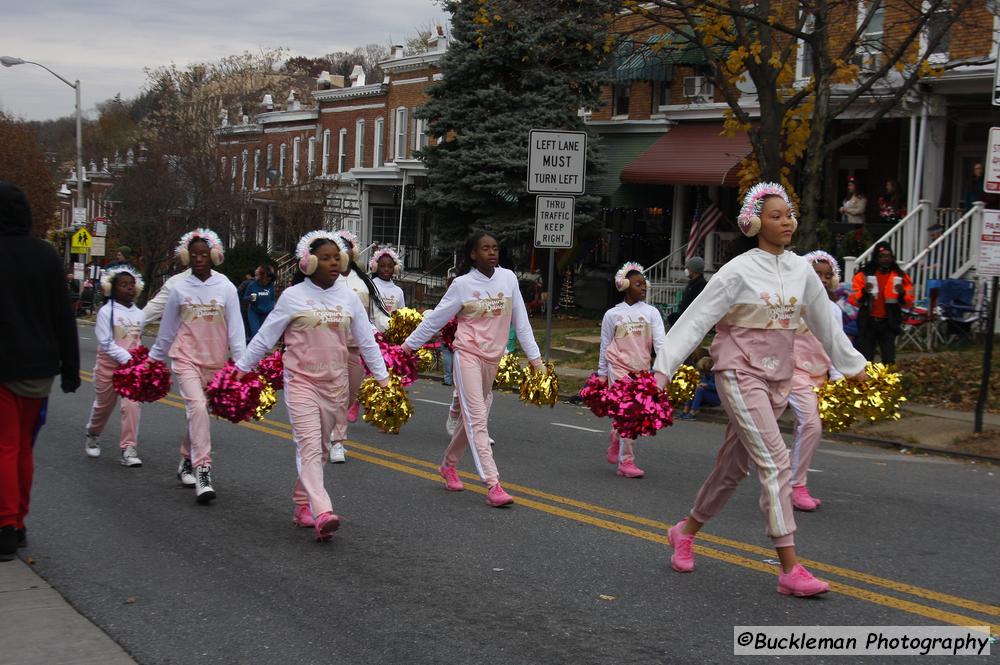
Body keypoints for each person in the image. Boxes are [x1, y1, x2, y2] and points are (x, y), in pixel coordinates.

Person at [653, 182, 868, 597]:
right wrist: (661, 372)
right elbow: (696, 320)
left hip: (779, 379)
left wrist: (853, 367)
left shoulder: (802, 270)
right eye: (775, 215)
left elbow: (825, 322)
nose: (786, 221)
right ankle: (789, 568)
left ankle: (685, 531)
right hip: (738, 370)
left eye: (788, 214)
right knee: (775, 461)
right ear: (754, 223)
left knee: (734, 467)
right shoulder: (737, 271)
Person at [235, 231, 389, 542]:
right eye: (327, 257)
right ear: (309, 262)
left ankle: (302, 504)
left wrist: (383, 377)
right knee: (307, 446)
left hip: (336, 385)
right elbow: (266, 336)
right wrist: (241, 369)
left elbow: (365, 340)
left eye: (337, 257)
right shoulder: (293, 297)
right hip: (301, 380)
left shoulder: (347, 297)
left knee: (318, 449)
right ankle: (323, 512)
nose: (334, 262)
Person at [401, 231, 544, 507]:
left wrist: (536, 361)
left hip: (493, 360)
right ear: (473, 254)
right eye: (485, 248)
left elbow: (522, 323)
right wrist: (408, 347)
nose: (492, 252)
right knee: (478, 419)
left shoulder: (509, 279)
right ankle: (493, 484)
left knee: (470, 421)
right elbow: (436, 320)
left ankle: (448, 465)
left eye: (495, 248)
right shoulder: (462, 285)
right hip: (466, 356)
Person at [0, 182, 80, 560]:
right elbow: (63, 316)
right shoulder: (47, 256)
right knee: (23, 448)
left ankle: (4, 526)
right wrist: (71, 367)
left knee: (4, 446)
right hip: (38, 370)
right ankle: (18, 523)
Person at [149, 229, 246, 503]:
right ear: (186, 257)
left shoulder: (226, 287)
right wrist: (153, 361)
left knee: (199, 413)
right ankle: (203, 469)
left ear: (215, 256)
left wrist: (240, 367)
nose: (200, 259)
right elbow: (167, 331)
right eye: (194, 255)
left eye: (204, 254)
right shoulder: (179, 288)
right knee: (198, 407)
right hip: (186, 358)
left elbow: (236, 331)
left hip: (215, 362)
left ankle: (185, 459)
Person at [787, 251, 846, 512]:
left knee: (806, 428)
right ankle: (795, 486)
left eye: (827, 275)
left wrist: (838, 374)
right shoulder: (790, 305)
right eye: (816, 274)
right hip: (792, 374)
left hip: (819, 377)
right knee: (811, 425)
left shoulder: (833, 310)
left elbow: (837, 344)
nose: (821, 279)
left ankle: (787, 478)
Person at [596, 262, 666, 479]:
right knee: (631, 414)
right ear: (625, 286)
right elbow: (605, 344)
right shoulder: (612, 315)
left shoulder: (652, 313)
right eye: (638, 284)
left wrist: (664, 369)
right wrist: (602, 373)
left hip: (642, 370)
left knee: (630, 414)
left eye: (644, 285)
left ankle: (616, 438)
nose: (643, 288)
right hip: (617, 369)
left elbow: (661, 344)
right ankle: (626, 462)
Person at [326, 230, 391, 463]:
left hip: (355, 349)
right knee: (338, 395)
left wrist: (396, 327)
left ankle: (331, 432)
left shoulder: (363, 282)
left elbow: (377, 314)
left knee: (350, 395)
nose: (340, 255)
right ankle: (337, 441)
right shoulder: (327, 282)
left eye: (345, 250)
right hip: (331, 349)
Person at [83, 266, 146, 466]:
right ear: (112, 288)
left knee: (132, 405)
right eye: (123, 285)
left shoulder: (139, 314)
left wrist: (140, 361)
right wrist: (127, 357)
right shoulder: (106, 312)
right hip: (108, 367)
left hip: (131, 369)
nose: (128, 288)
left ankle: (128, 448)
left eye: (131, 285)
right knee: (104, 406)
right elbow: (106, 342)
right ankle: (93, 433)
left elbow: (138, 339)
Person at [848, 241, 914, 365]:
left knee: (889, 360)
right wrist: (864, 291)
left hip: (889, 322)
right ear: (876, 258)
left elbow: (909, 302)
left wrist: (902, 293)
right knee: (866, 360)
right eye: (882, 256)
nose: (885, 259)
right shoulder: (864, 275)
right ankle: (867, 383)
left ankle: (888, 383)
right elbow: (853, 300)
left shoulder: (900, 276)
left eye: (888, 256)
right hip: (868, 321)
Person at [368, 246, 406, 333]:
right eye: (382, 266)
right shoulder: (370, 286)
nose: (386, 269)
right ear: (376, 267)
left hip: (393, 335)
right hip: (373, 335)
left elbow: (402, 314)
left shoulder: (398, 291)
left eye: (390, 266)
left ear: (395, 268)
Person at [668, 256, 708, 325]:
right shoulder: (692, 283)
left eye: (688, 268)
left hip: (690, 321)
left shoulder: (701, 284)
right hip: (684, 318)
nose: (686, 270)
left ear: (694, 269)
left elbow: (695, 305)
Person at [677, 356, 719, 420]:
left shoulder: (716, 375)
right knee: (693, 388)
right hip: (703, 397)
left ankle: (693, 412)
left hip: (715, 399)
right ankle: (685, 410)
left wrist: (707, 385)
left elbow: (718, 388)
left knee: (700, 390)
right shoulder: (703, 374)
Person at [244, 264, 277, 339]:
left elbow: (272, 299)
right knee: (255, 334)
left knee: (263, 335)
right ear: (261, 277)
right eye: (265, 279)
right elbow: (245, 297)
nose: (267, 281)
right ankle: (249, 347)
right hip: (254, 312)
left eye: (269, 279)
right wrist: (250, 298)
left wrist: (272, 307)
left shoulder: (270, 286)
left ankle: (254, 347)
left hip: (266, 313)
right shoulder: (252, 285)